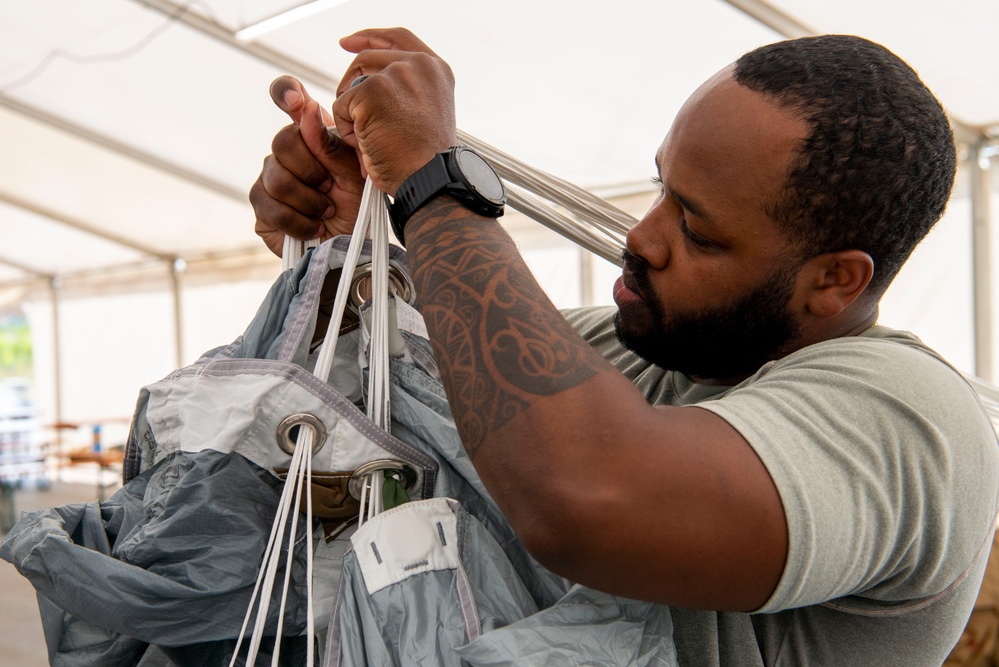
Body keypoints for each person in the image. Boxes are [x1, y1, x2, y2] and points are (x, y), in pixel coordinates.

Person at [249, 28, 999, 665]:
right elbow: (427, 360)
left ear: (833, 279)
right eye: (661, 190)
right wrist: (352, 242)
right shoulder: (651, 342)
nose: (642, 236)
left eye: (697, 230)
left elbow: (582, 494)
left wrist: (434, 188)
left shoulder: (911, 417)